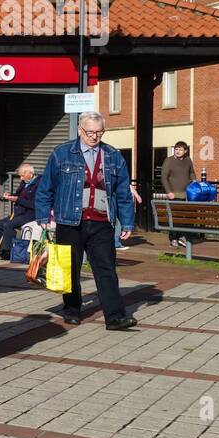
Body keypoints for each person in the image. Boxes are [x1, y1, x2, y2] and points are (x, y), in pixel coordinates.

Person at [33, 111, 137, 330]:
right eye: (90, 132)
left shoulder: (113, 156)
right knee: (70, 267)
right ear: (80, 130)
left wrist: (127, 222)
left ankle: (115, 317)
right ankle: (71, 309)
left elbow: (123, 193)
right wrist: (43, 216)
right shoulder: (61, 153)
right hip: (70, 221)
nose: (94, 137)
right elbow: (46, 188)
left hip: (102, 223)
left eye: (99, 132)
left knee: (106, 268)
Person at [0, 164, 38, 259]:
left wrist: (17, 199)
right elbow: (18, 196)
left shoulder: (38, 185)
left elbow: (33, 204)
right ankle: (0, 250)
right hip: (19, 213)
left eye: (22, 175)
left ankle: (8, 252)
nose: (21, 178)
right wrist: (10, 196)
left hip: (30, 214)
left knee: (8, 225)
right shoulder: (24, 183)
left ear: (30, 173)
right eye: (20, 176)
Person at [160, 141, 196, 247]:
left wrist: (194, 180)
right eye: (176, 149)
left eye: (180, 149)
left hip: (187, 194)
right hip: (174, 194)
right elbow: (164, 177)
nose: (178, 151)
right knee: (175, 218)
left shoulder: (188, 160)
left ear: (185, 151)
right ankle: (173, 238)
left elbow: (192, 172)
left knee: (185, 218)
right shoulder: (169, 161)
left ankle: (181, 237)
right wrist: (169, 192)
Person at [114, 181, 143, 250]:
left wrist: (137, 196)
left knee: (117, 224)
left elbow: (130, 188)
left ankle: (116, 243)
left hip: (119, 207)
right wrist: (137, 196)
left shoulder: (123, 183)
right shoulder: (124, 184)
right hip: (118, 206)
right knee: (117, 225)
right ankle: (116, 243)